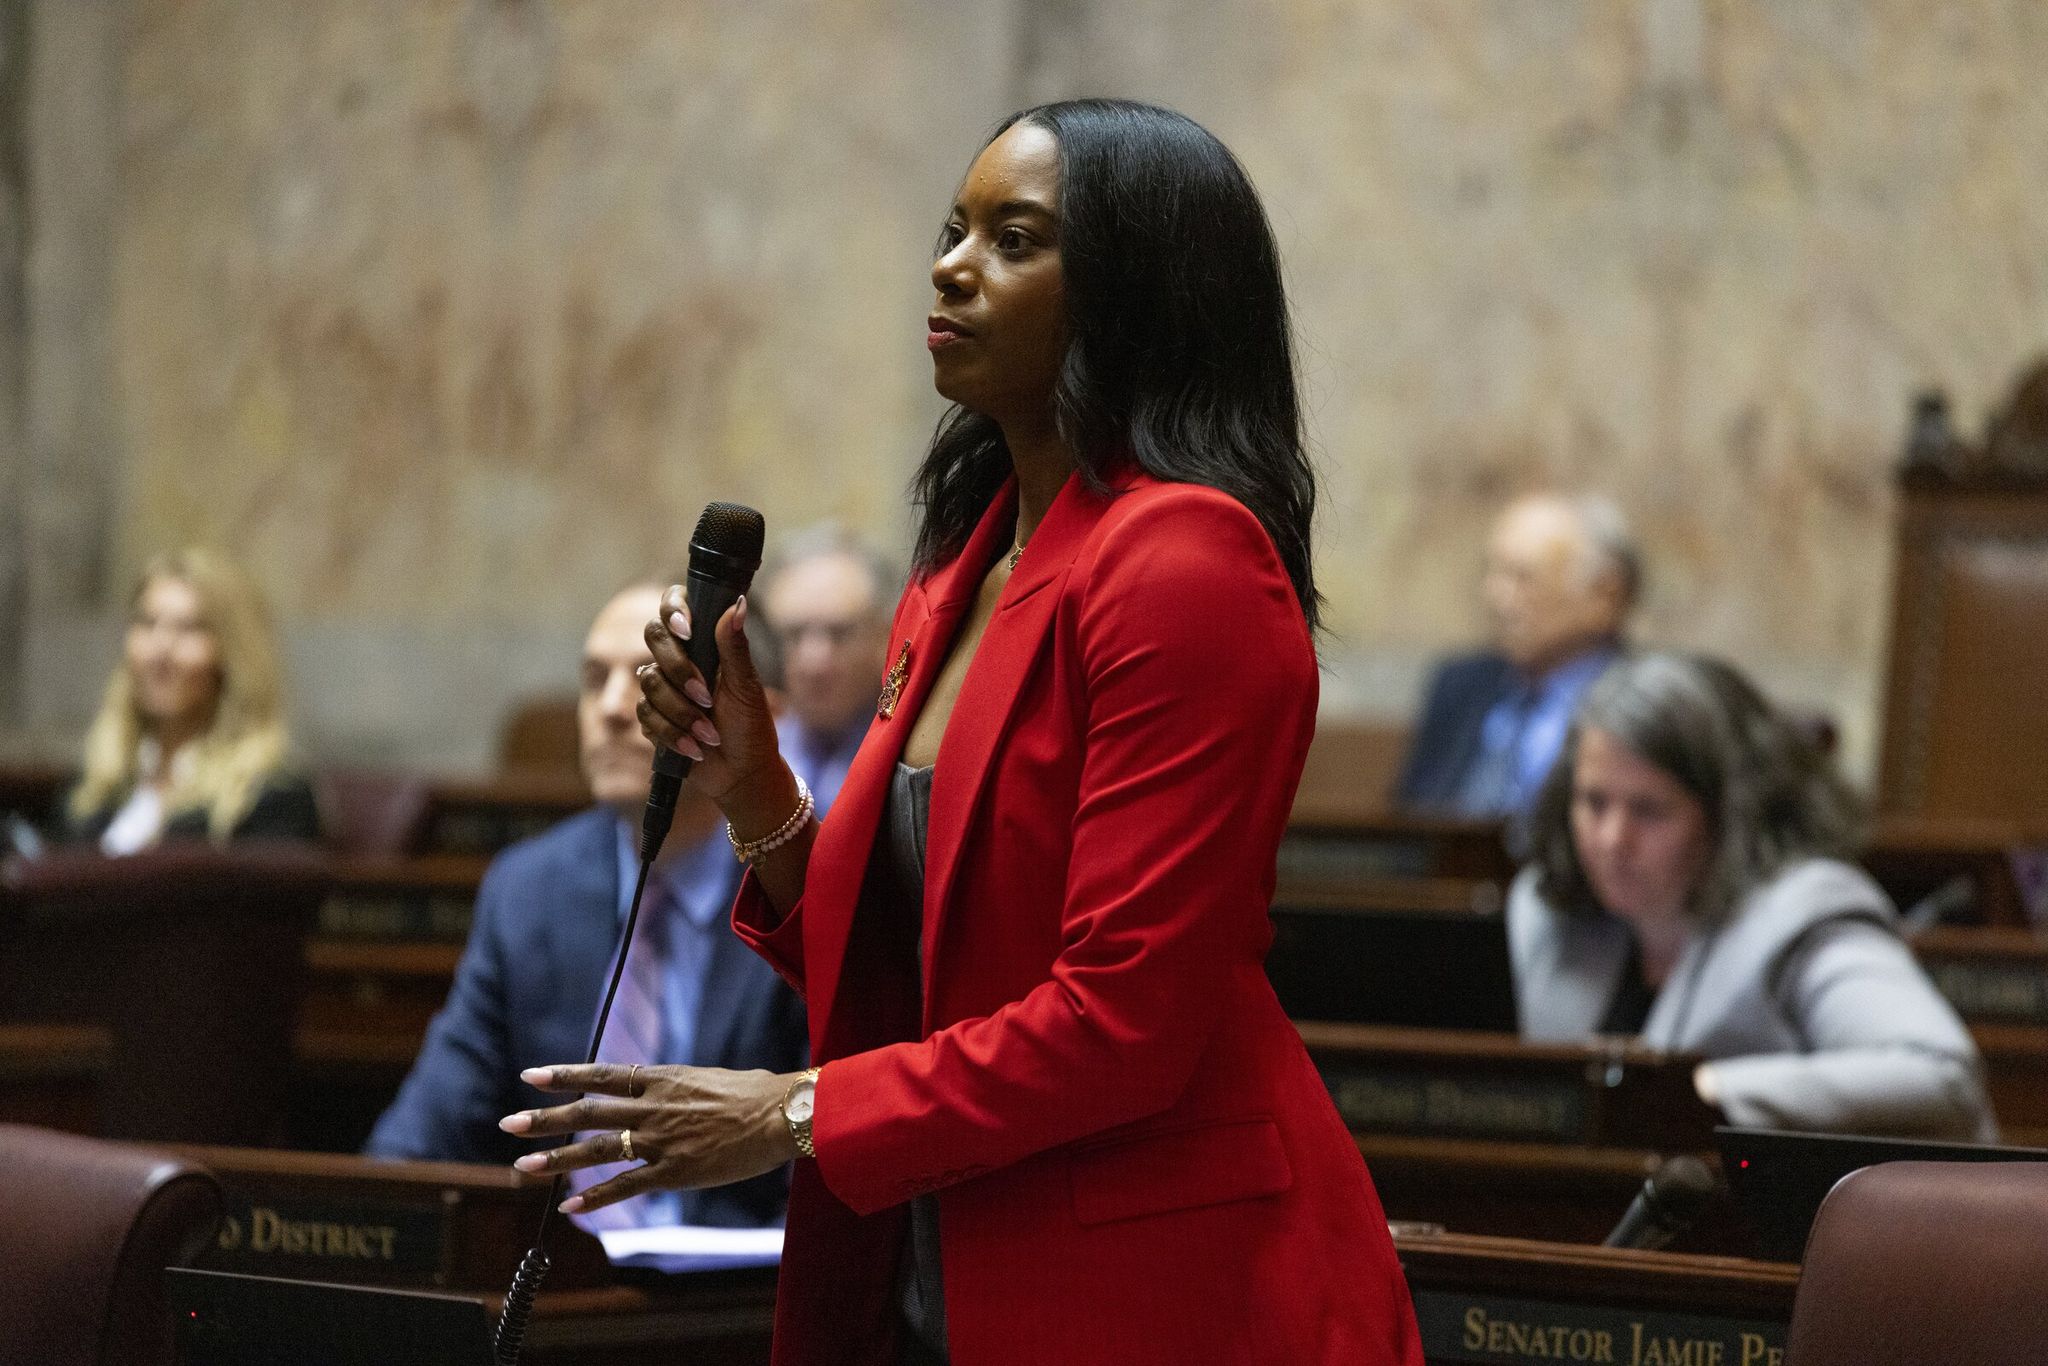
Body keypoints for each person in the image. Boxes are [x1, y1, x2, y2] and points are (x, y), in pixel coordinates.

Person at [501, 101, 1424, 1364]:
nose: (950, 264)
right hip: (953, 1239)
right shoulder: (966, 559)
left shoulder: (1185, 561)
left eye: (1014, 237)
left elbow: (1120, 1024)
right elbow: (906, 971)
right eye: (952, 229)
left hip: (1162, 1279)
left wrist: (791, 1112)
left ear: (1134, 290)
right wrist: (748, 780)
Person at [366, 583, 807, 1228]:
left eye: (648, 682)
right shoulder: (530, 889)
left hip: (744, 1294)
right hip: (571, 1289)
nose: (610, 709)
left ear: (756, 719)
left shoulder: (799, 884)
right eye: (592, 678)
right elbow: (425, 1133)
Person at [1509, 651, 1998, 1142]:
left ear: (1729, 816)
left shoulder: (1803, 909)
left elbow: (1941, 1074)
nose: (1612, 839)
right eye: (1593, 802)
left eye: (1649, 809)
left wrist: (1701, 1091)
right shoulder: (1544, 911)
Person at [1395, 492, 1640, 820]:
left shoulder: (1645, 702)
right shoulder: (1459, 687)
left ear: (1603, 594)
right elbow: (1409, 824)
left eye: (1522, 577)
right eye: (1492, 573)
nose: (1495, 596)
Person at [62, 547, 318, 852]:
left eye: (188, 629)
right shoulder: (97, 786)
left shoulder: (273, 799)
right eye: (147, 623)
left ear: (233, 656)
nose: (160, 650)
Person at [754, 524, 899, 816]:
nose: (814, 662)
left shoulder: (916, 753)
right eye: (794, 634)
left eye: (840, 633)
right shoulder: (755, 754)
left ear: (887, 635)